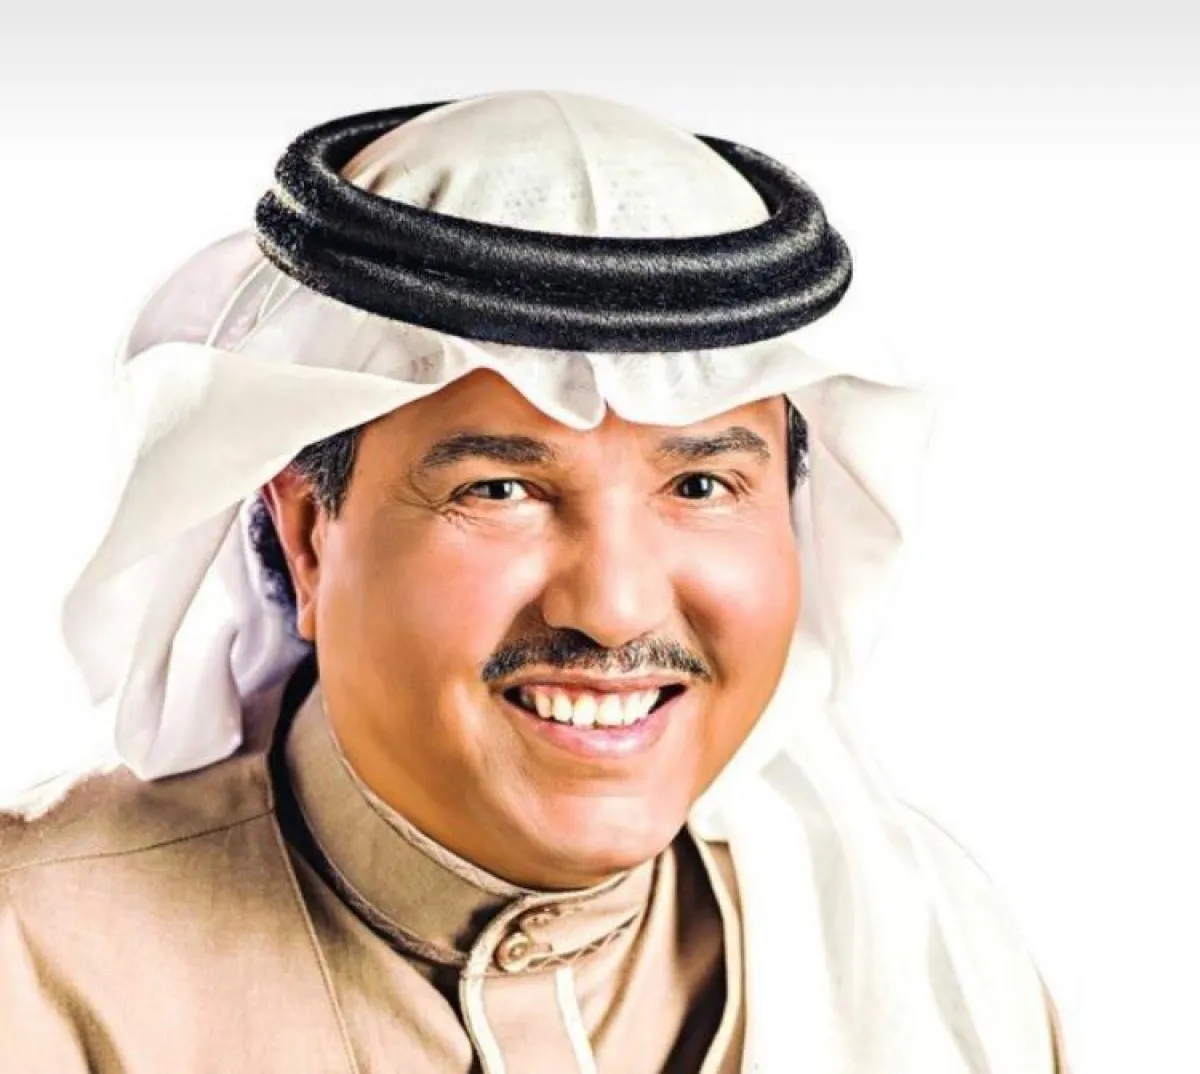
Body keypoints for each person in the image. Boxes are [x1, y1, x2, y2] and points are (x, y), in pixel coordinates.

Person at [0, 91, 1069, 1073]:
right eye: (501, 489)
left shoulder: (929, 950)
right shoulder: (37, 971)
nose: (615, 608)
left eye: (700, 484)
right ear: (310, 537)